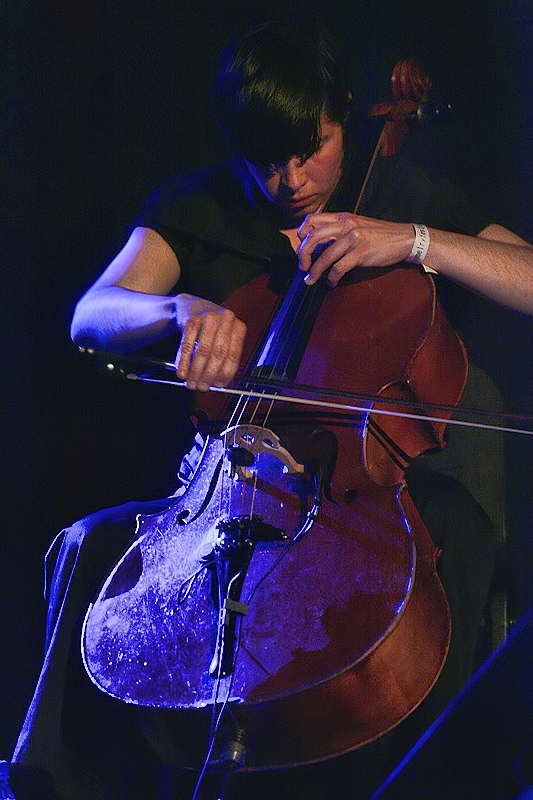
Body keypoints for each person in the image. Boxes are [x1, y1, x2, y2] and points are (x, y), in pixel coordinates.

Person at [11, 15, 533, 800]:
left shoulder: (396, 193)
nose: (289, 180)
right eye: (266, 161)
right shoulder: (200, 204)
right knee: (87, 545)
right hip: (220, 494)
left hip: (362, 491)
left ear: (344, 114)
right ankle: (45, 783)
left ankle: (441, 780)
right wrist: (178, 310)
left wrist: (416, 241)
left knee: (456, 531)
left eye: (309, 149)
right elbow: (91, 314)